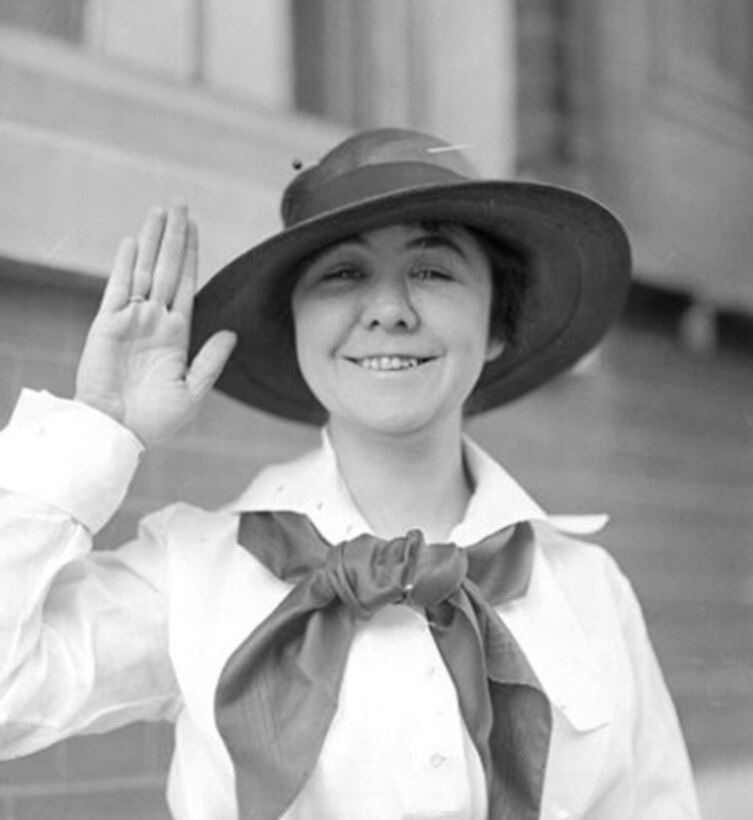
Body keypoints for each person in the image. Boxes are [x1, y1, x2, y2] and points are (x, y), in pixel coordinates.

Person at [0, 128, 700, 820]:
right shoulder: (197, 571)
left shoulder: (587, 589)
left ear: (494, 326)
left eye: (432, 270)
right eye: (343, 273)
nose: (390, 310)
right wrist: (100, 427)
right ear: (297, 325)